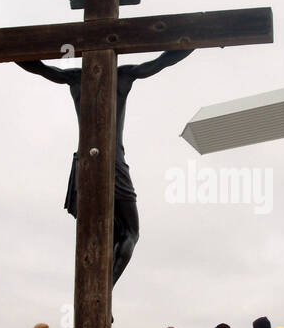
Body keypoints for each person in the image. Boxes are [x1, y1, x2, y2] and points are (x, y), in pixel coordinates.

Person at [16, 49, 194, 287]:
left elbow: (39, 67)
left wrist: (6, 51)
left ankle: (96, 289)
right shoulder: (124, 74)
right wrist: (202, 38)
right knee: (130, 232)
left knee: (97, 234)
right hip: (113, 160)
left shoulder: (75, 77)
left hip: (84, 163)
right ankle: (103, 289)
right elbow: (164, 60)